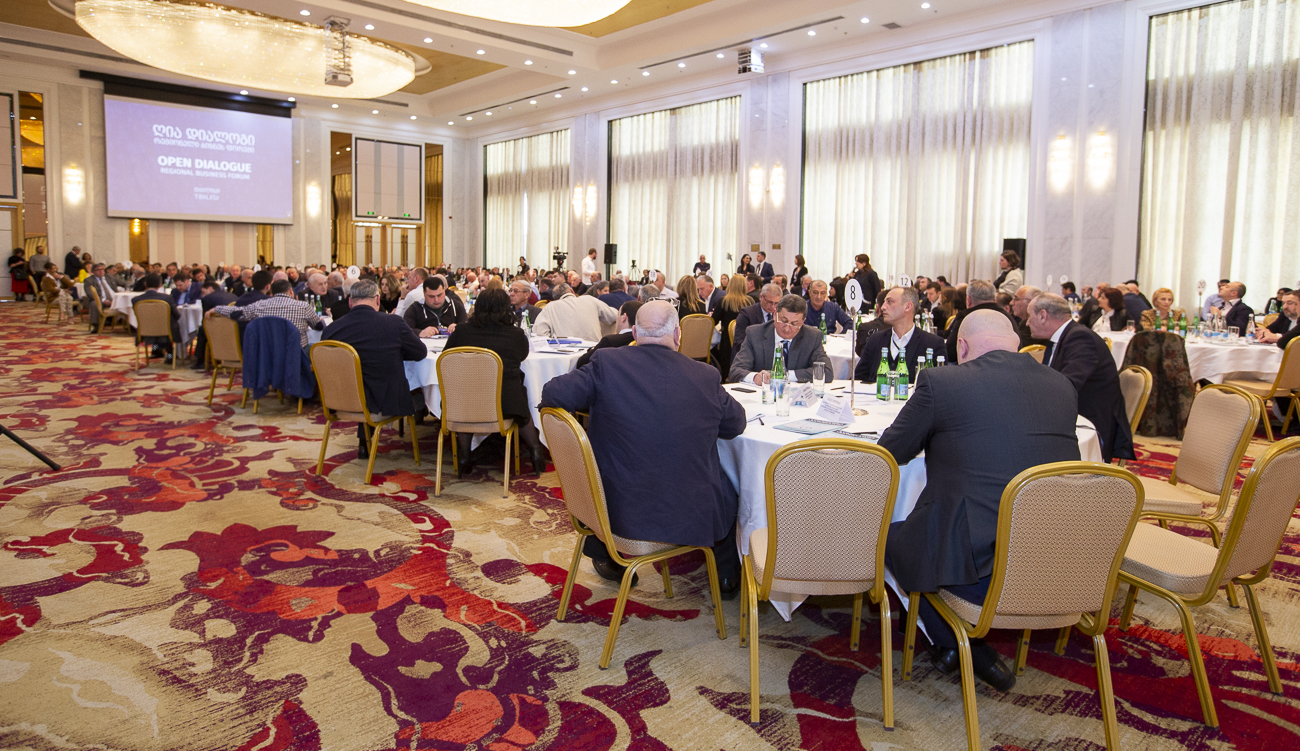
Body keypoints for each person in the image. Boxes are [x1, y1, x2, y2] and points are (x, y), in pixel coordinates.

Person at [882, 310, 1081, 693]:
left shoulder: (942, 382)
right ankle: (956, 645)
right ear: (1016, 343)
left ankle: (960, 644)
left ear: (962, 346)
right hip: (1056, 557)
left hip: (975, 569)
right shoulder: (1062, 385)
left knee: (887, 538)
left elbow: (891, 451)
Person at [540, 301, 746, 595]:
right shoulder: (705, 375)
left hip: (612, 509)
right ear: (678, 334)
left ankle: (604, 552)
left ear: (635, 333)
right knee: (731, 485)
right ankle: (725, 575)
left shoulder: (607, 363)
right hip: (688, 512)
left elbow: (553, 392)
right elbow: (735, 425)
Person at [443, 288, 547, 476]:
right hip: (506, 404)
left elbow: (447, 357)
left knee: (468, 397)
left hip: (464, 403)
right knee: (518, 395)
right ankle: (535, 449)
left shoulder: (461, 332)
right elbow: (522, 356)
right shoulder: (516, 335)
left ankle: (464, 455)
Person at [321, 280, 427, 459]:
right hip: (385, 400)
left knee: (362, 379)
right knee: (378, 381)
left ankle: (364, 442)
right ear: (378, 300)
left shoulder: (331, 330)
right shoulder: (393, 323)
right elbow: (420, 352)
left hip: (341, 398)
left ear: (350, 302)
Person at [1027, 294, 1135, 463]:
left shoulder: (1080, 338)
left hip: (1092, 422)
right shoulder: (1065, 336)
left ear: (1042, 316)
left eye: (1029, 316)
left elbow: (1066, 385)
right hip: (1075, 413)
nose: (1027, 323)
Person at [730, 295, 833, 384]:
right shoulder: (755, 334)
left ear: (802, 322)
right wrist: (755, 377)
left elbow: (826, 372)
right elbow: (736, 370)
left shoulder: (812, 337)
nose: (787, 328)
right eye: (783, 321)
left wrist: (785, 376)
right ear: (775, 315)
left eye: (794, 324)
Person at [854, 286, 947, 383]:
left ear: (907, 307)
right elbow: (859, 380)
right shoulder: (875, 340)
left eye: (890, 302)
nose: (883, 307)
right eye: (884, 302)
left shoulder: (933, 344)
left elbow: (939, 385)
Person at [211, 279, 324, 349]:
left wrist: (216, 309)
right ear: (291, 291)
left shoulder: (260, 305)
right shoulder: (303, 306)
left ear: (271, 292)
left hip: (268, 352)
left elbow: (236, 312)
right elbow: (318, 326)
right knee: (317, 350)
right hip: (295, 352)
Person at [944, 279, 1015, 362]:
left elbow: (950, 352)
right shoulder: (1007, 317)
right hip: (1008, 365)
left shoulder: (966, 317)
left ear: (968, 300)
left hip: (973, 367)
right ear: (994, 298)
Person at [531, 283, 618, 341]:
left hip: (564, 354)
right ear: (572, 291)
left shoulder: (550, 307)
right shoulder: (590, 299)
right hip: (592, 351)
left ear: (555, 298)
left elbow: (540, 333)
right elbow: (614, 315)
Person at [578, 301, 641, 368]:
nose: (616, 319)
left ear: (623, 317)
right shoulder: (643, 340)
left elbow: (581, 362)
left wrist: (591, 349)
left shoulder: (610, 341)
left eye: (618, 314)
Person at [134, 273, 182, 362]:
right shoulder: (167, 298)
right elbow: (177, 315)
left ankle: (156, 348)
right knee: (168, 323)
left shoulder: (136, 300)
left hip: (145, 329)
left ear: (145, 284)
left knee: (156, 324)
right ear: (160, 285)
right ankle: (170, 354)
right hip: (166, 330)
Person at [711, 276, 752, 378]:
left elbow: (713, 321)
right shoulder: (750, 301)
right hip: (745, 341)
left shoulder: (723, 301)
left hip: (726, 345)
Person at [731, 283, 782, 354]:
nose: (773, 306)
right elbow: (740, 342)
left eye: (776, 303)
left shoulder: (780, 315)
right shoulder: (747, 314)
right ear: (761, 297)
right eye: (770, 302)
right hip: (752, 355)